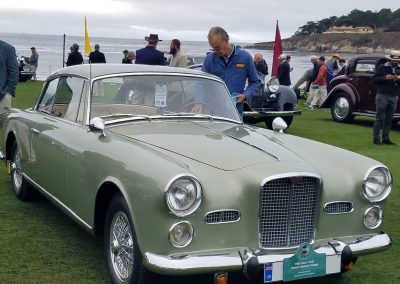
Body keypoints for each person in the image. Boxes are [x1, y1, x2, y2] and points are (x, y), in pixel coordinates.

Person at [201, 26, 260, 117]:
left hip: (235, 113)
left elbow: (255, 81)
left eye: (218, 48)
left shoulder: (245, 57)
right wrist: (199, 101)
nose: (216, 52)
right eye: (213, 49)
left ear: (226, 39)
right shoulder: (209, 59)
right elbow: (201, 83)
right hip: (212, 112)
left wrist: (245, 95)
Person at [372, 50, 400, 145]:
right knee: (379, 117)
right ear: (390, 59)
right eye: (393, 60)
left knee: (389, 119)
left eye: (397, 60)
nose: (395, 62)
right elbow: (374, 79)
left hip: (394, 96)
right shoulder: (382, 67)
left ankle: (386, 139)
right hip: (382, 95)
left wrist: (397, 79)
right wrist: (385, 77)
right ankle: (376, 139)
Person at [0, 40, 19, 117]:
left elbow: (14, 72)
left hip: (3, 95)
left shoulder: (7, 49)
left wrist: (8, 92)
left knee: (3, 126)